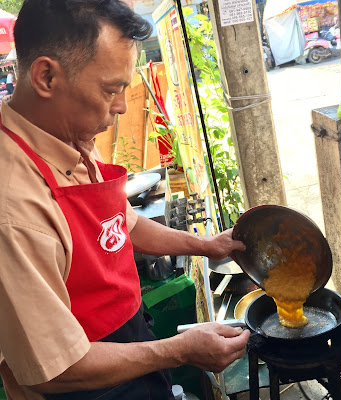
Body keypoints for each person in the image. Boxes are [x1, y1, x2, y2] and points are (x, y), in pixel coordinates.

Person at [0, 1, 250, 399]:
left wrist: (206, 246)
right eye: (110, 89)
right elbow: (56, 368)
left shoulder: (68, 136)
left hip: (128, 333)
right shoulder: (12, 206)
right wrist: (178, 350)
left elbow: (120, 223)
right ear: (46, 76)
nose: (120, 106)